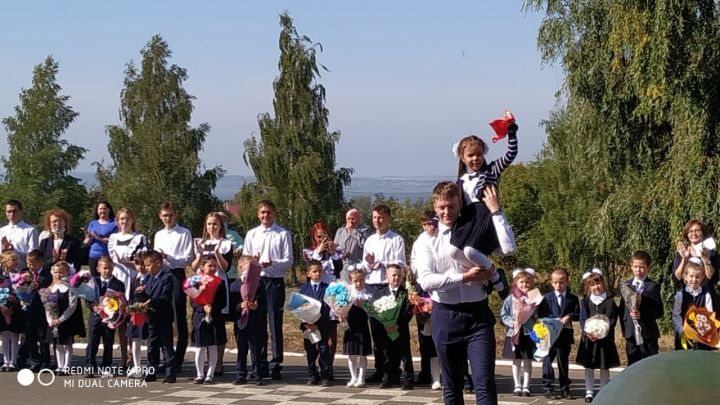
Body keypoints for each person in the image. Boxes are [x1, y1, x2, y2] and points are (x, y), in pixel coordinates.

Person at [416, 181, 515, 405]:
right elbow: (427, 280)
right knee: (451, 386)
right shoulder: (427, 240)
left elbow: (508, 247)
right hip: (445, 316)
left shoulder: (474, 227)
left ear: (460, 203)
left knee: (484, 383)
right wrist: (465, 277)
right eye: (442, 207)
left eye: (451, 206)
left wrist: (496, 210)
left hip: (477, 316)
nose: (446, 212)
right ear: (435, 206)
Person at [449, 125, 518, 270]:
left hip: (486, 216)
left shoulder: (491, 170)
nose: (476, 158)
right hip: (469, 219)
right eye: (470, 155)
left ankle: (494, 275)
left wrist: (511, 133)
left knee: (470, 251)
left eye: (479, 154)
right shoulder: (460, 181)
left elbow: (511, 154)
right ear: (462, 158)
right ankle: (480, 273)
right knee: (454, 251)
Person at [242, 199, 293, 380]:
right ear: (258, 214)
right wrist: (251, 263)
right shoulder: (252, 234)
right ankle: (260, 363)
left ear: (274, 213)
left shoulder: (282, 234)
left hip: (274, 282)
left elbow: (288, 261)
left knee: (274, 322)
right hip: (256, 282)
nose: (265, 215)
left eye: (269, 212)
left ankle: (276, 363)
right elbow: (245, 258)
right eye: (262, 212)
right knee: (257, 323)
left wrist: (272, 264)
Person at [361, 204, 406, 383]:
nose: (377, 221)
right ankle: (380, 368)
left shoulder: (396, 239)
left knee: (390, 330)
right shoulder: (370, 240)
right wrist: (368, 264)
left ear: (388, 218)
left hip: (388, 287)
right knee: (376, 331)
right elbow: (365, 266)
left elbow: (400, 264)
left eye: (380, 218)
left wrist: (382, 264)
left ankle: (392, 370)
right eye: (374, 218)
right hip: (372, 286)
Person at [190, 212, 233, 376]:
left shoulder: (226, 243)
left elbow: (225, 268)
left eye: (215, 224)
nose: (212, 227)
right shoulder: (200, 242)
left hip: (218, 285)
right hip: (202, 286)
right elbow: (194, 267)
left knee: (217, 323)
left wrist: (217, 253)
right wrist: (200, 253)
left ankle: (218, 362)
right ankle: (204, 365)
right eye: (209, 224)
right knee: (203, 323)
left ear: (220, 225)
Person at [152, 202, 193, 374]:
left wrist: (168, 257)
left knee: (179, 315)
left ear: (175, 215)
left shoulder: (184, 233)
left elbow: (187, 258)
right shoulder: (158, 234)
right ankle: (167, 356)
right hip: (162, 275)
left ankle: (178, 358)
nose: (167, 218)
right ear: (160, 217)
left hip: (176, 274)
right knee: (163, 316)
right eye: (164, 215)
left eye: (170, 215)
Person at [302, 220, 343, 379]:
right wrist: (318, 251)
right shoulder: (309, 251)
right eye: (319, 237)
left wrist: (333, 252)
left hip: (331, 293)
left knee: (330, 332)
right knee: (314, 333)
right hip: (314, 296)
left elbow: (339, 269)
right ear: (314, 237)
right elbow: (311, 265)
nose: (322, 240)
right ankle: (315, 367)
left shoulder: (335, 250)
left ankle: (328, 367)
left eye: (324, 236)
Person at [108, 207, 147, 370]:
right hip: (116, 280)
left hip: (133, 280)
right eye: (121, 219)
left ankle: (133, 355)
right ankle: (123, 355)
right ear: (117, 221)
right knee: (118, 317)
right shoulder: (113, 237)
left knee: (132, 318)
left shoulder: (140, 238)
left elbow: (142, 262)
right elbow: (112, 260)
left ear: (132, 220)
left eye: (127, 218)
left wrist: (126, 263)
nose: (124, 221)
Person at [575, 268, 619, 403]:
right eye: (592, 285)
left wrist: (603, 330)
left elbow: (612, 320)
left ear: (603, 284)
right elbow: (582, 320)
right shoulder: (585, 302)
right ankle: (589, 391)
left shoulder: (610, 302)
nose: (596, 287)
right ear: (588, 287)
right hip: (589, 339)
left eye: (598, 283)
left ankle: (603, 390)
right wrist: (588, 332)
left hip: (605, 340)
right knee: (589, 365)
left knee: (604, 366)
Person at [536, 267, 579, 399]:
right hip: (549, 335)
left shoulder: (573, 298)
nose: (558, 285)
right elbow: (540, 314)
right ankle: (548, 387)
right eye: (555, 282)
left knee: (563, 362)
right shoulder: (546, 298)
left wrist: (569, 316)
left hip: (564, 335)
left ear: (567, 282)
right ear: (551, 282)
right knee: (547, 361)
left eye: (561, 282)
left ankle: (565, 388)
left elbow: (578, 314)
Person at [409, 209, 440, 388]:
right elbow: (413, 262)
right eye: (427, 224)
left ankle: (454, 373)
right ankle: (426, 372)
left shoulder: (443, 237)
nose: (430, 227)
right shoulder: (419, 241)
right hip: (423, 288)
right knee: (423, 332)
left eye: (433, 223)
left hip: (440, 286)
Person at [619, 250, 663, 366]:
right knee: (632, 365)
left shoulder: (653, 287)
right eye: (636, 267)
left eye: (642, 267)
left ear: (649, 268)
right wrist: (624, 328)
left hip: (648, 334)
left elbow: (659, 311)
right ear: (631, 267)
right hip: (631, 334)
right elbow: (622, 309)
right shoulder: (626, 286)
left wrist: (642, 315)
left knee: (649, 365)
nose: (638, 270)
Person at [500, 268, 539, 397]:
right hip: (514, 333)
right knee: (516, 360)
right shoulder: (510, 299)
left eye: (528, 282)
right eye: (521, 282)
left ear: (532, 283)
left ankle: (526, 386)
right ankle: (517, 385)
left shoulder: (535, 297)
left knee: (528, 360)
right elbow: (504, 315)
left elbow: (540, 315)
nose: (524, 285)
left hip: (528, 333)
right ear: (516, 283)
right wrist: (512, 323)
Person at [85, 256, 125, 378]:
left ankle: (106, 367)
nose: (107, 271)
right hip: (95, 317)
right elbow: (88, 299)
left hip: (110, 319)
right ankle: (90, 367)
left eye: (110, 268)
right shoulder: (93, 281)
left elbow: (121, 300)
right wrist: (93, 307)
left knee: (108, 342)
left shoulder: (118, 283)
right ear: (98, 269)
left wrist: (114, 310)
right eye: (105, 268)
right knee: (92, 342)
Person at [190, 255, 227, 384]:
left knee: (212, 346)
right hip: (199, 317)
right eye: (209, 266)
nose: (212, 268)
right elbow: (193, 302)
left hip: (215, 317)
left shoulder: (220, 282)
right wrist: (203, 307)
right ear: (202, 267)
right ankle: (199, 374)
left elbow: (223, 302)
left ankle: (210, 375)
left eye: (214, 266)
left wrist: (212, 307)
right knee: (200, 347)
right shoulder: (195, 281)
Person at [141, 250, 177, 383]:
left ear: (158, 263)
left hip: (164, 316)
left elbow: (165, 297)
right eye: (145, 265)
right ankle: (151, 371)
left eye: (149, 264)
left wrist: (152, 301)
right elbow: (146, 295)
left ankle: (170, 373)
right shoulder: (147, 278)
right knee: (152, 345)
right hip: (151, 317)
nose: (146, 268)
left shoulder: (167, 277)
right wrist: (141, 294)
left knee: (166, 345)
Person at [231, 256, 265, 386]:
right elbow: (232, 307)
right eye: (248, 266)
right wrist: (240, 306)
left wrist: (256, 306)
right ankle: (241, 374)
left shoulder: (258, 283)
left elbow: (264, 302)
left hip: (255, 321)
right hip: (240, 321)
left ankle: (257, 374)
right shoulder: (235, 285)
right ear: (240, 268)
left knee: (255, 348)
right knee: (242, 348)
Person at [17, 249, 52, 371]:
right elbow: (18, 285)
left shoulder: (47, 274)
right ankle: (33, 359)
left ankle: (45, 360)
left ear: (41, 263)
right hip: (28, 309)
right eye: (28, 263)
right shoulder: (24, 272)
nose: (30, 266)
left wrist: (35, 283)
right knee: (29, 335)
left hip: (42, 309)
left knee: (43, 336)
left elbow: (45, 286)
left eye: (33, 264)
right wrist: (22, 282)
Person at [44, 261, 81, 375]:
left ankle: (67, 366)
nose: (58, 275)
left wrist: (61, 319)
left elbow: (72, 305)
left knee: (67, 343)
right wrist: (50, 320)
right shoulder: (51, 288)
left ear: (67, 272)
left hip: (65, 320)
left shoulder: (69, 288)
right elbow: (47, 306)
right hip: (54, 321)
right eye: (56, 272)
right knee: (58, 343)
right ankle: (59, 366)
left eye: (61, 272)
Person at [381, 264, 414, 390]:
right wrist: (386, 323)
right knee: (388, 354)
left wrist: (397, 324)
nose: (396, 278)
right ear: (387, 276)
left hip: (401, 329)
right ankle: (389, 377)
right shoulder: (381, 293)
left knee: (405, 354)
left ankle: (408, 379)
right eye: (394, 275)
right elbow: (377, 309)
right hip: (386, 330)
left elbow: (409, 311)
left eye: (399, 276)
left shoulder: (406, 293)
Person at [299, 260, 331, 386]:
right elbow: (299, 306)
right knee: (310, 351)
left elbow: (328, 307)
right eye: (314, 271)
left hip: (321, 325)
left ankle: (325, 375)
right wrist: (307, 323)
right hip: (308, 326)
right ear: (308, 273)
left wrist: (318, 323)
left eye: (320, 271)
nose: (318, 274)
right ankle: (312, 375)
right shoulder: (304, 288)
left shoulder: (326, 288)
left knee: (323, 350)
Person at [672, 257, 715, 351]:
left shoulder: (706, 295)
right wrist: (681, 329)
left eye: (697, 277)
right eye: (691, 276)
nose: (694, 280)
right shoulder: (680, 295)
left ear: (702, 278)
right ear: (685, 277)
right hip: (684, 335)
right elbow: (676, 315)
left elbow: (710, 314)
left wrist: (704, 328)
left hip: (702, 336)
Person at [344, 267, 372, 388]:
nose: (359, 283)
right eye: (355, 281)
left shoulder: (367, 295)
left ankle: (362, 377)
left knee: (362, 354)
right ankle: (353, 377)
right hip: (351, 327)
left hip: (362, 327)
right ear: (351, 281)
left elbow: (372, 311)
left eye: (361, 280)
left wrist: (363, 307)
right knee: (351, 354)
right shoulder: (347, 294)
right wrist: (341, 315)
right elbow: (340, 309)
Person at [671, 220, 718, 292]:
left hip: (706, 295)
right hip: (686, 296)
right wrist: (684, 259)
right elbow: (677, 278)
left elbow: (711, 277)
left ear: (703, 232)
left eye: (697, 230)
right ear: (687, 234)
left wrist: (706, 260)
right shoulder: (682, 253)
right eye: (690, 231)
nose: (694, 233)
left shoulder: (711, 253)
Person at [126, 256, 150, 379]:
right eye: (137, 264)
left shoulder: (150, 279)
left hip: (148, 313)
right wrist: (131, 310)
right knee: (135, 339)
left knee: (150, 339)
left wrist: (145, 288)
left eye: (143, 264)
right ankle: (137, 366)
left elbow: (152, 294)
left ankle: (152, 366)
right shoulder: (133, 279)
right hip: (135, 313)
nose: (140, 267)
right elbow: (130, 296)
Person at [333, 208, 371, 282]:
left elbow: (365, 245)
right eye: (348, 219)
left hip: (358, 267)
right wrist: (341, 253)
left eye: (353, 219)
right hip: (343, 268)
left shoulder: (365, 230)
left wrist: (353, 231)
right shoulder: (340, 231)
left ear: (358, 219)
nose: (350, 221)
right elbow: (335, 247)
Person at [0, 250, 22, 372]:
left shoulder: (18, 275)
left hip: (15, 307)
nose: (16, 262)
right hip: (1, 307)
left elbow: (21, 290)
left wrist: (13, 304)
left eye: (16, 260)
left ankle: (13, 361)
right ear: (4, 262)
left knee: (14, 335)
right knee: (4, 334)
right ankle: (5, 361)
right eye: (12, 260)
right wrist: (3, 306)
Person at [83, 200, 119, 276]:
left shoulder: (114, 224)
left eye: (105, 208)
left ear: (109, 210)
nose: (102, 211)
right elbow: (88, 241)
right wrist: (88, 239)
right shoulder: (93, 223)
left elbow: (114, 240)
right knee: (95, 279)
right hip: (93, 256)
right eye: (100, 209)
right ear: (97, 211)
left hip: (107, 256)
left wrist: (99, 238)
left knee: (106, 277)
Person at [0, 199, 39, 265]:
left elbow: (33, 256)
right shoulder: (1, 231)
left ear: (21, 212)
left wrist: (14, 251)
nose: (11, 214)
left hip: (22, 271)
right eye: (9, 211)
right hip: (3, 271)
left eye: (14, 211)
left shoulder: (30, 230)